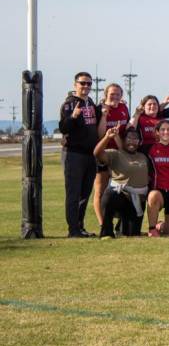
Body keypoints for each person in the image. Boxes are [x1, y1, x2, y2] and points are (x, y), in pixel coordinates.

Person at [59, 71, 103, 237]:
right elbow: (63, 127)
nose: (85, 86)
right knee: (73, 193)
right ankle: (73, 230)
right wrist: (73, 116)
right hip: (74, 154)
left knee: (85, 193)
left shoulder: (90, 102)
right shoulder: (69, 104)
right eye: (82, 83)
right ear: (75, 84)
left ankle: (80, 226)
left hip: (89, 154)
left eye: (89, 84)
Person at [94, 126, 149, 239]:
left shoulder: (143, 156)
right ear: (123, 140)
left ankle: (122, 227)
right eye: (129, 138)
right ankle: (107, 232)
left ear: (139, 142)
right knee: (109, 195)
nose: (132, 141)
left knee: (132, 234)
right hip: (120, 195)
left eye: (135, 139)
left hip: (137, 199)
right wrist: (107, 138)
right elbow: (97, 153)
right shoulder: (116, 154)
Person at [93, 83, 129, 229]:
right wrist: (104, 115)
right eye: (111, 94)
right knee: (100, 190)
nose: (114, 97)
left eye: (117, 94)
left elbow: (125, 130)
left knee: (124, 189)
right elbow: (100, 134)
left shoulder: (123, 108)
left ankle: (122, 222)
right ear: (105, 94)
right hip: (103, 153)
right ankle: (103, 225)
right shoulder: (100, 109)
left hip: (119, 154)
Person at [146, 120, 169, 237]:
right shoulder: (151, 149)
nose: (166, 132)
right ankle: (152, 228)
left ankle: (160, 225)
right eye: (162, 129)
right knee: (153, 196)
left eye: (168, 129)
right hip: (159, 190)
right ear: (157, 132)